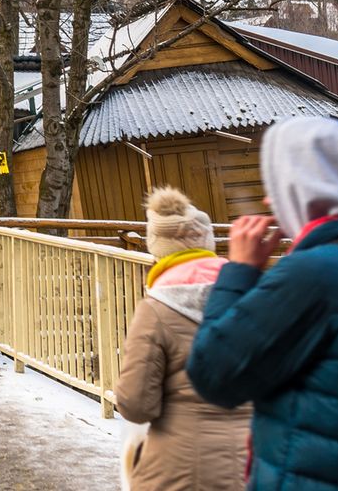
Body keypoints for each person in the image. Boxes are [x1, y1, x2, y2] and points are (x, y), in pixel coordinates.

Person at [187, 116, 338, 491]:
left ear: (304, 190)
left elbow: (215, 373)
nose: (270, 200)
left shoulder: (319, 273)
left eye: (276, 185)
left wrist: (239, 270)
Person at [112, 187, 249, 491]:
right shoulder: (251, 298)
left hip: (178, 469)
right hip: (253, 464)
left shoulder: (155, 310)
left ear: (157, 248)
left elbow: (136, 405)